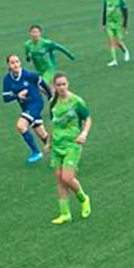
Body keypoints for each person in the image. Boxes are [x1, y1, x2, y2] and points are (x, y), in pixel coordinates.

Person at [47, 73, 93, 224]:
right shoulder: (53, 103)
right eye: (58, 85)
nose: (61, 87)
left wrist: (84, 133)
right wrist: (49, 142)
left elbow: (87, 118)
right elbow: (54, 124)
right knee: (60, 180)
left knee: (67, 177)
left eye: (63, 84)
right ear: (54, 86)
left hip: (72, 144)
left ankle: (83, 198)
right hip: (57, 145)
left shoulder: (76, 101)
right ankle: (65, 214)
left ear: (68, 84)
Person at [1, 54, 51, 164]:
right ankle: (59, 151)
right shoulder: (7, 79)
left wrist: (51, 97)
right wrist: (17, 96)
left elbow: (41, 83)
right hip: (25, 107)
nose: (15, 65)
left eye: (17, 62)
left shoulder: (29, 75)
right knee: (41, 133)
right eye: (12, 63)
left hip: (36, 104)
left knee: (21, 125)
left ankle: (36, 152)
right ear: (8, 65)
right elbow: (5, 98)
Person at [103, 0, 131, 66]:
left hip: (117, 23)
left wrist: (125, 25)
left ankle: (125, 51)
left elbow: (125, 12)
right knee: (111, 42)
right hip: (109, 23)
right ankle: (114, 60)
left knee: (118, 42)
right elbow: (104, 11)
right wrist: (103, 23)